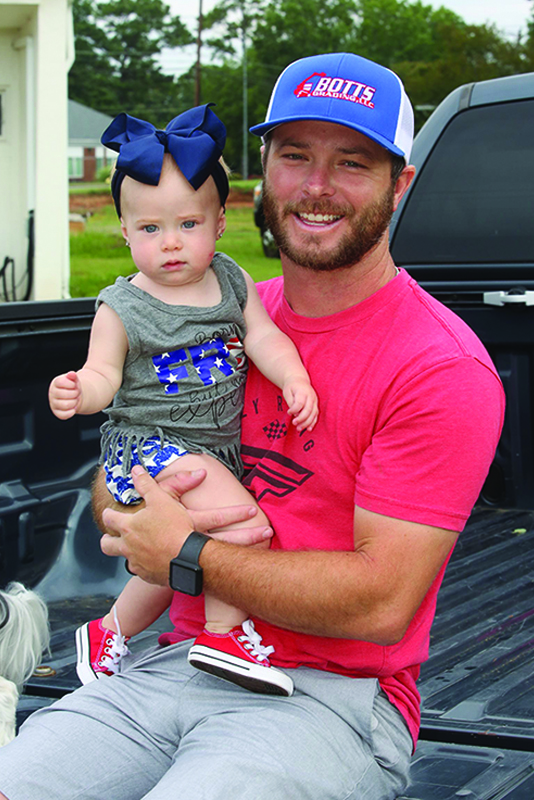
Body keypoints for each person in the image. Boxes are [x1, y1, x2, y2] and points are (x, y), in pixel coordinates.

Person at [0, 52, 504, 800]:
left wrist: (184, 549)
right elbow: (118, 490)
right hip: (172, 658)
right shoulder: (208, 310)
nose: (317, 186)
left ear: (401, 185)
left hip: (330, 699)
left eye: (352, 163)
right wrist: (133, 506)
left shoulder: (438, 367)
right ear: (260, 173)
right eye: (294, 155)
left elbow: (380, 602)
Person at [48, 104, 317, 697]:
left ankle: (105, 631)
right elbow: (103, 376)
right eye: (150, 229)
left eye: (188, 225)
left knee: (178, 562)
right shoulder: (122, 307)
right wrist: (78, 392)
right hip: (145, 447)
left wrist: (293, 375)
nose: (170, 243)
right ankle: (222, 634)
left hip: (210, 450)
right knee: (244, 526)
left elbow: (265, 336)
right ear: (123, 231)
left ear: (220, 222)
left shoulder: (230, 280)